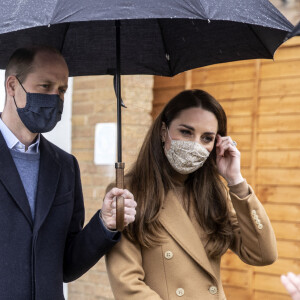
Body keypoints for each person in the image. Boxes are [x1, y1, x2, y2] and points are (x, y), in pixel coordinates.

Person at [106, 89, 277, 299]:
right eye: (186, 132)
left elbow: (262, 254)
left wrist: (236, 181)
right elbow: (127, 284)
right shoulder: (129, 192)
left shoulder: (215, 193)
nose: (196, 145)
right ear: (163, 131)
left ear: (217, 144)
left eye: (207, 138)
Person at [0, 46, 137, 300]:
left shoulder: (65, 166)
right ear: (12, 86)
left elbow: (68, 266)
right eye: (45, 86)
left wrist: (104, 224)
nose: (55, 97)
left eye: (62, 90)